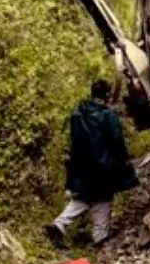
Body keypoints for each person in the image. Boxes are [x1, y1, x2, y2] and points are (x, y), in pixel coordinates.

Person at [44, 79, 136, 248]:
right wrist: (123, 162)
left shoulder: (77, 113)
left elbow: (74, 140)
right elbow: (116, 141)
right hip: (104, 165)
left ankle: (60, 224)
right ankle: (100, 235)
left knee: (83, 196)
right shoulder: (108, 116)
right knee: (103, 199)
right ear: (107, 95)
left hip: (81, 165)